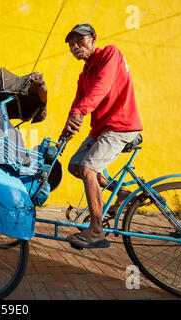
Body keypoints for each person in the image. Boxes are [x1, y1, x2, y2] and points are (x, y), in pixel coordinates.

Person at [60, 24, 143, 249]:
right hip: (100, 129)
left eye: (80, 41)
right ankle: (123, 193)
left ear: (94, 38)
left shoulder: (110, 54)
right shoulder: (83, 74)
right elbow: (77, 104)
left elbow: (102, 86)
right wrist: (64, 134)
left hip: (121, 126)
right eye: (71, 45)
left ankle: (96, 231)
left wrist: (80, 111)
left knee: (89, 170)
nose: (76, 47)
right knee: (76, 166)